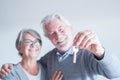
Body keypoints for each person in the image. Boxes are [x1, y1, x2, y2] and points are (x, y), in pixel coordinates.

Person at [1, 13, 120, 80]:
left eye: (61, 29)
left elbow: (116, 73)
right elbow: (30, 64)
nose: (58, 36)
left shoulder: (87, 53)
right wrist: (13, 66)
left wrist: (100, 52)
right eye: (52, 33)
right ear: (49, 38)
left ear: (71, 28)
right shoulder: (48, 59)